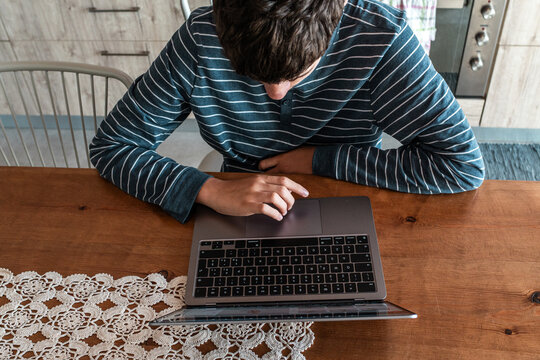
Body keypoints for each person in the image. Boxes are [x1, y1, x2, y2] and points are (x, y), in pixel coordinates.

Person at [89, 0, 484, 223]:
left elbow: (460, 165)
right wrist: (209, 188)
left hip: (351, 200)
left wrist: (319, 159)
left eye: (297, 74)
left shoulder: (380, 39)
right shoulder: (200, 39)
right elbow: (113, 146)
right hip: (238, 203)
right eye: (252, 76)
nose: (276, 95)